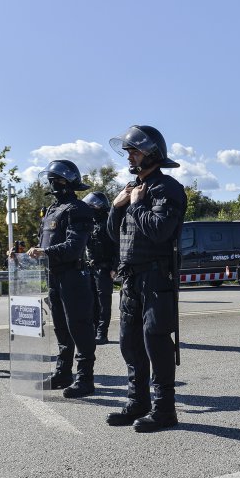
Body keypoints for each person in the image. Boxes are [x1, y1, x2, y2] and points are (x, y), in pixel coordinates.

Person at [105, 125, 187, 432]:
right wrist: (116, 208)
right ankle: (137, 402)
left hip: (156, 278)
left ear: (151, 153)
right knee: (130, 343)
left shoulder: (168, 189)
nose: (130, 156)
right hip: (131, 278)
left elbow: (160, 231)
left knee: (156, 343)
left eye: (135, 150)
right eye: (128, 151)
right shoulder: (132, 189)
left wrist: (138, 205)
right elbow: (115, 235)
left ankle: (164, 410)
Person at [26, 160, 96, 398]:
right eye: (51, 179)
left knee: (79, 327)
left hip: (74, 276)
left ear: (68, 181)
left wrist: (45, 253)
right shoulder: (51, 210)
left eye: (56, 179)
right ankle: (63, 373)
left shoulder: (79, 209)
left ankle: (85, 379)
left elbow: (74, 247)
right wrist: (28, 253)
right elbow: (46, 242)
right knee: (61, 327)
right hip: (54, 275)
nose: (52, 183)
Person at [84, 191, 116, 345]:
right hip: (91, 268)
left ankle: (102, 333)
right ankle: (94, 330)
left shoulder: (109, 223)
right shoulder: (90, 224)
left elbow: (117, 246)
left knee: (104, 303)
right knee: (91, 302)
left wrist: (115, 267)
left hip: (105, 268)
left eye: (92, 205)